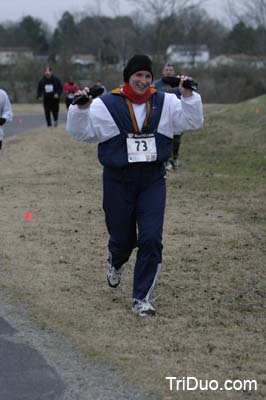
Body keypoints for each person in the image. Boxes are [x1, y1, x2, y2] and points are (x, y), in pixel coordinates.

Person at [66, 54, 203, 316]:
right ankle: (116, 261)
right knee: (123, 239)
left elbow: (192, 121)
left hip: (152, 179)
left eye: (148, 76)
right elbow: (80, 133)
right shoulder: (106, 104)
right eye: (138, 75)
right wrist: (80, 110)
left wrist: (188, 97)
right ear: (128, 77)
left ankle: (141, 298)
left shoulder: (165, 101)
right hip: (118, 180)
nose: (143, 80)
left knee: (151, 238)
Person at [154, 63, 183, 171]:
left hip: (177, 114)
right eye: (166, 70)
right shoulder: (157, 84)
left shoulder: (179, 84)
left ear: (173, 72)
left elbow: (185, 96)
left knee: (176, 139)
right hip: (162, 115)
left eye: (170, 70)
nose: (168, 72)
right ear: (163, 71)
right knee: (165, 138)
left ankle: (175, 159)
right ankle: (166, 161)